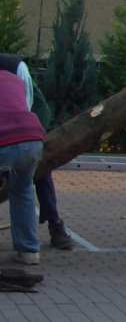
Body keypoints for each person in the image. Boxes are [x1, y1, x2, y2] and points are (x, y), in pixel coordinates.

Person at [1, 52, 73, 251]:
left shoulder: (14, 67)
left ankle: (55, 224)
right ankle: (28, 246)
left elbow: (23, 109)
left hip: (30, 115)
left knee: (39, 168)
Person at [1, 67, 45, 265]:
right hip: (31, 138)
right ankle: (29, 251)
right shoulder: (14, 79)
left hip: (4, 139)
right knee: (23, 190)